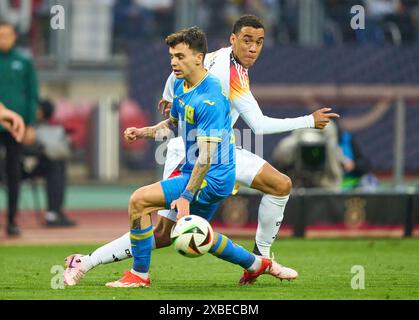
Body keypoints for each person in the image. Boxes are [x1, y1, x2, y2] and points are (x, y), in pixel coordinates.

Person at [63, 15, 337, 286]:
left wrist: (168, 96)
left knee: (280, 185)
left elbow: (177, 74)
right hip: (190, 153)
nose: (253, 48)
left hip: (221, 150)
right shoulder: (227, 74)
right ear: (233, 39)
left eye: (259, 42)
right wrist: (309, 121)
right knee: (164, 233)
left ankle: (260, 259)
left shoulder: (212, 57)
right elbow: (258, 125)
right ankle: (89, 261)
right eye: (247, 40)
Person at [0, 20, 39, 236]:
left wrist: (29, 124)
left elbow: (33, 96)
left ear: (14, 37)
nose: (3, 39)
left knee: (13, 173)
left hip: (16, 129)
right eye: (0, 35)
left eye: (7, 35)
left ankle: (12, 221)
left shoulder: (23, 62)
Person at [21, 99, 76, 227]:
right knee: (54, 165)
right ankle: (53, 213)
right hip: (14, 166)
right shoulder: (22, 124)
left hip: (31, 165)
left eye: (39, 110)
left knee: (58, 164)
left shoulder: (45, 128)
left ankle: (55, 212)